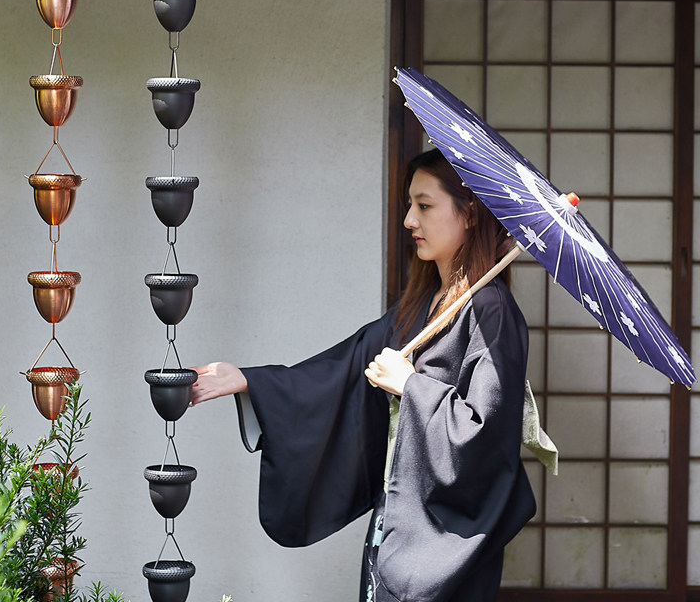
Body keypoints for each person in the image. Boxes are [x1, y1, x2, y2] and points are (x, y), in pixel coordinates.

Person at [191, 149, 536, 601]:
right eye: (409, 206)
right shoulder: (423, 305)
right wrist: (252, 381)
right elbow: (346, 367)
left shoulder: (491, 311)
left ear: (469, 213)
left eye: (425, 205)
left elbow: (486, 434)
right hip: (396, 520)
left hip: (444, 545)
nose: (410, 220)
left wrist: (410, 386)